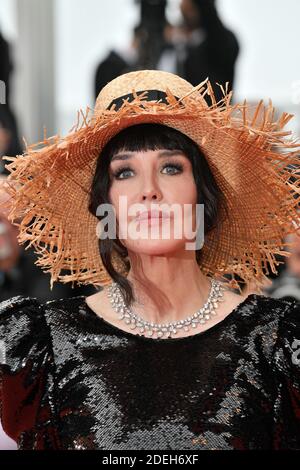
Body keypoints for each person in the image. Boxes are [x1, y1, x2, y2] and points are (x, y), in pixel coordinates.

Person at [0, 69, 299, 450]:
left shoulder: (276, 343)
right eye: (125, 172)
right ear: (105, 204)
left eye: (171, 167)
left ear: (202, 198)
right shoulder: (44, 347)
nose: (149, 191)